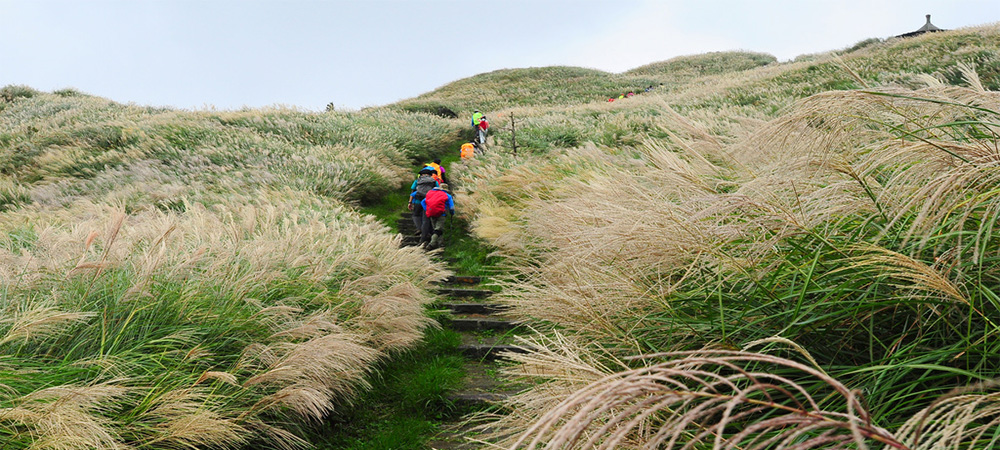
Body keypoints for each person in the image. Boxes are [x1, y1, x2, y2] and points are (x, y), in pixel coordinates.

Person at [420, 184, 455, 250]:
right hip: (442, 214)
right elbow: (452, 207)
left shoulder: (432, 194)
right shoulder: (447, 196)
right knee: (438, 230)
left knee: (436, 229)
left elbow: (422, 202)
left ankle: (440, 244)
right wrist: (452, 213)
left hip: (431, 213)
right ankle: (432, 244)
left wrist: (427, 209)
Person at [409, 168, 439, 237]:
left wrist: (410, 202)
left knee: (415, 215)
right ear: (430, 175)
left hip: (418, 201)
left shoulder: (417, 181)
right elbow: (438, 191)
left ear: (421, 174)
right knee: (426, 218)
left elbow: (413, 191)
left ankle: (419, 228)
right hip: (429, 202)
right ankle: (426, 233)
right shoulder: (434, 181)